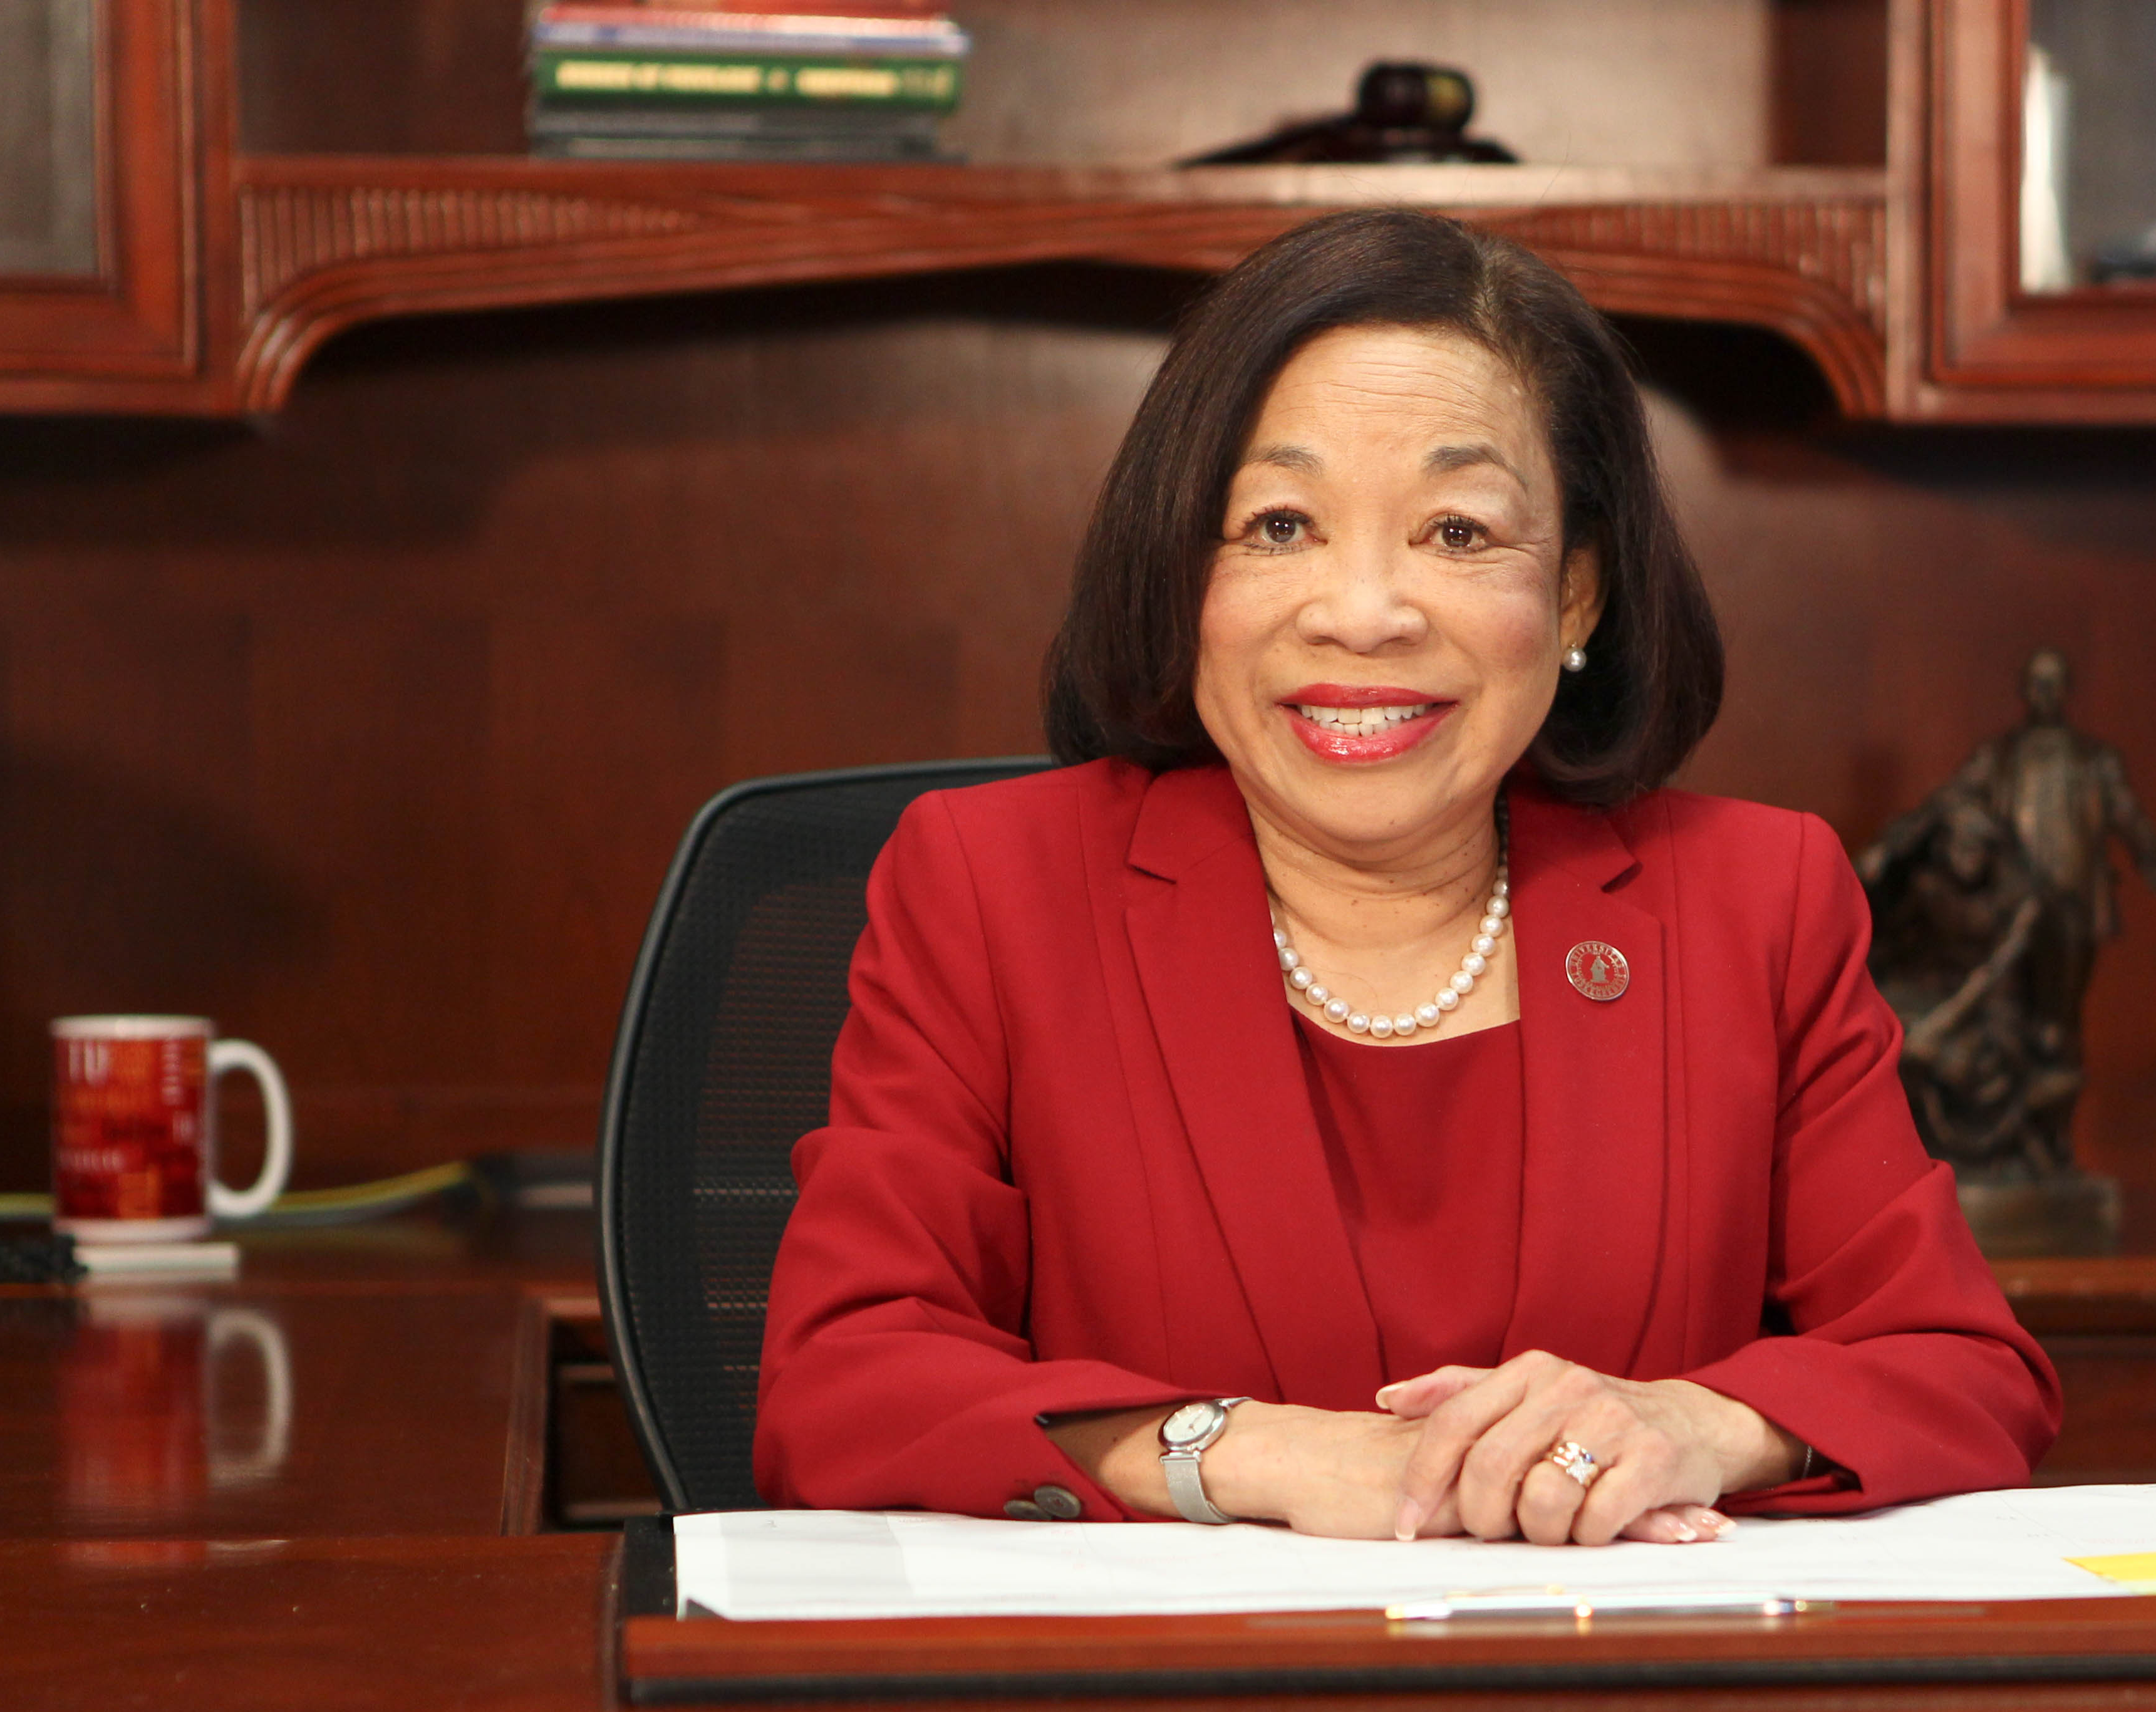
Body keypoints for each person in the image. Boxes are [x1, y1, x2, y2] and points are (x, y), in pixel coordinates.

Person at [756, 209, 2060, 1547]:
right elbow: (842, 1382)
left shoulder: (1753, 901)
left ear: (1575, 596)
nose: (1363, 613)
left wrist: (1693, 1424)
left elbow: (1960, 1367)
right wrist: (1247, 1450)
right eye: (1279, 525)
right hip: (1176, 1681)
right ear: (1184, 571)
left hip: (1617, 1676)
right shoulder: (992, 890)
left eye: (1455, 531)